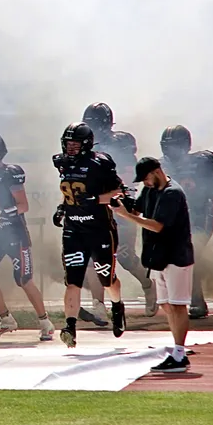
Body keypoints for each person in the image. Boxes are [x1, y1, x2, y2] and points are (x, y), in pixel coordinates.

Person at [112, 157, 194, 373]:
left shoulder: (172, 193)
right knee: (166, 305)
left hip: (176, 256)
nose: (145, 183)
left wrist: (126, 216)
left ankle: (179, 352)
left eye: (147, 178)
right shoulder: (149, 190)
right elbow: (138, 209)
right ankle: (178, 346)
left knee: (177, 305)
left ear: (157, 172)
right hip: (158, 257)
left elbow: (157, 226)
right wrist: (123, 203)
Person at [0, 132, 54, 340]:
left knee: (24, 280)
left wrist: (3, 213)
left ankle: (45, 321)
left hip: (15, 234)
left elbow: (23, 205)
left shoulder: (11, 173)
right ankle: (6, 319)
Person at [53, 124, 126, 347]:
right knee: (73, 281)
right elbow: (72, 193)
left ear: (86, 145)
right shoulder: (62, 162)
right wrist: (63, 208)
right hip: (73, 230)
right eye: (68, 144)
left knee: (107, 278)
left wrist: (95, 200)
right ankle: (70, 327)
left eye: (75, 144)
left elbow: (119, 192)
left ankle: (117, 306)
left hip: (99, 229)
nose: (70, 148)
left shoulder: (99, 163)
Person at [82, 103, 155, 316]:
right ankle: (99, 306)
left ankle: (148, 284)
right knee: (92, 258)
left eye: (94, 124)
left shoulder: (120, 143)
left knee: (124, 256)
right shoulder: (83, 145)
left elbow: (127, 175)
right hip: (96, 205)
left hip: (118, 204)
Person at [158, 125, 213, 319]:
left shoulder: (201, 162)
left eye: (174, 146)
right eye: (167, 146)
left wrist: (201, 193)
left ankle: (197, 300)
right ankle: (180, 298)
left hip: (200, 213)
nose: (170, 150)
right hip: (175, 216)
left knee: (191, 254)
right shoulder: (160, 165)